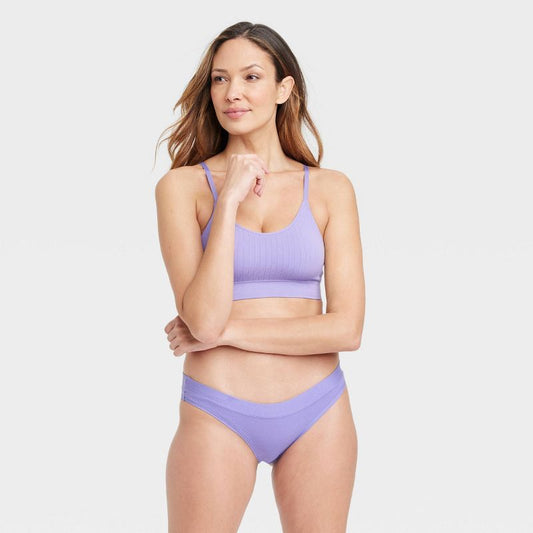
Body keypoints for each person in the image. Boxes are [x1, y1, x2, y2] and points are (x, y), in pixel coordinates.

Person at [155, 21, 365, 533]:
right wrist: (228, 199)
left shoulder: (331, 189)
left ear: (283, 88)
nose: (233, 93)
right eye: (220, 79)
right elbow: (202, 318)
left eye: (251, 77)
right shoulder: (182, 188)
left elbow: (347, 329)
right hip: (218, 410)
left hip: (319, 409)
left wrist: (227, 332)